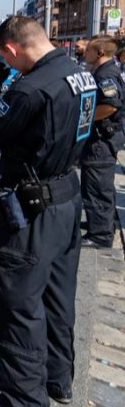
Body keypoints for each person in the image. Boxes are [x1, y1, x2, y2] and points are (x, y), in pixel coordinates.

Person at [0, 16, 97, 407]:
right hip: (66, 197)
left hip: (32, 208)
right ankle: (58, 381)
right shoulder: (80, 73)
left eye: (6, 59)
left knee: (17, 305)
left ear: (11, 51)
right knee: (58, 298)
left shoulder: (28, 89)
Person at [80, 36, 125, 248]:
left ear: (99, 53)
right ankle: (103, 224)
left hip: (102, 140)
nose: (84, 53)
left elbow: (110, 104)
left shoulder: (106, 74)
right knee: (100, 185)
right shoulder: (104, 71)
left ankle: (100, 235)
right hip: (102, 138)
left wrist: (84, 119)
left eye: (88, 50)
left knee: (96, 186)